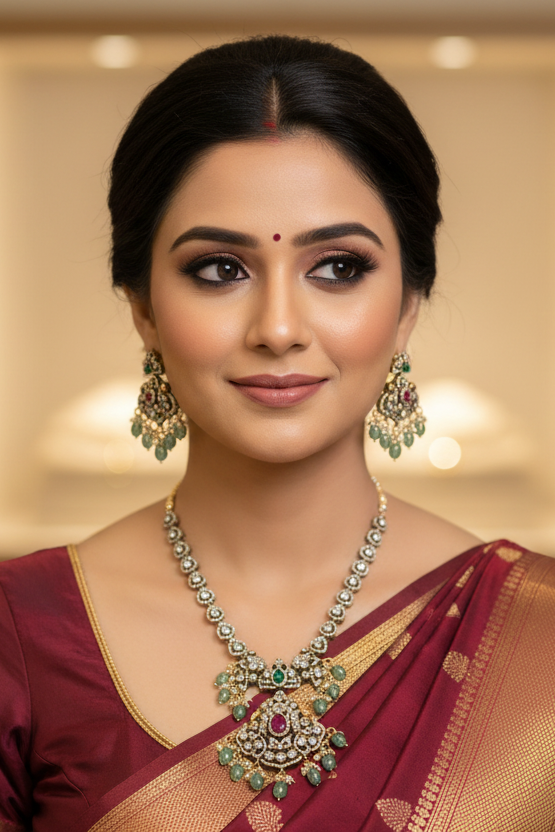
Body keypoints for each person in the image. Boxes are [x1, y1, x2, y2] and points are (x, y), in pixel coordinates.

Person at [1, 35, 554, 832]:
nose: (279, 327)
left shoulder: (531, 633)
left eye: (337, 266)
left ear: (406, 305)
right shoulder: (21, 636)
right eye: (219, 269)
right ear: (143, 307)